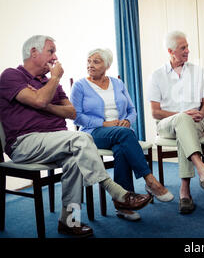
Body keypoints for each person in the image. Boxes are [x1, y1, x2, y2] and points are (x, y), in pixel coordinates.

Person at [0, 35, 151, 237]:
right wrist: (51, 85)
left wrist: (46, 103)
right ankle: (117, 192)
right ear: (33, 52)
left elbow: (71, 113)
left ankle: (69, 221)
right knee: (81, 138)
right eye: (51, 51)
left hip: (58, 141)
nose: (55, 57)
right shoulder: (11, 76)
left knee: (74, 160)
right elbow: (38, 102)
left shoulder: (49, 84)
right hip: (25, 143)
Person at [70, 48, 174, 222]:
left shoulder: (117, 83)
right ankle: (150, 180)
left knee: (121, 149)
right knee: (124, 135)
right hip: (93, 133)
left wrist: (127, 121)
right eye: (89, 61)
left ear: (107, 65)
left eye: (96, 61)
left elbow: (132, 111)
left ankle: (123, 204)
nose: (90, 65)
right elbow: (76, 116)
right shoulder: (80, 86)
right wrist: (104, 123)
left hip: (120, 133)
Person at [147, 31, 204, 214]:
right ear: (170, 51)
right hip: (166, 125)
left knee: (184, 128)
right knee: (182, 119)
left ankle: (185, 193)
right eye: (183, 48)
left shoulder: (198, 71)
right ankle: (201, 169)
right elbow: (155, 112)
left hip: (195, 124)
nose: (188, 50)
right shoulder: (157, 75)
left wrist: (201, 115)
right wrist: (182, 115)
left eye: (187, 46)